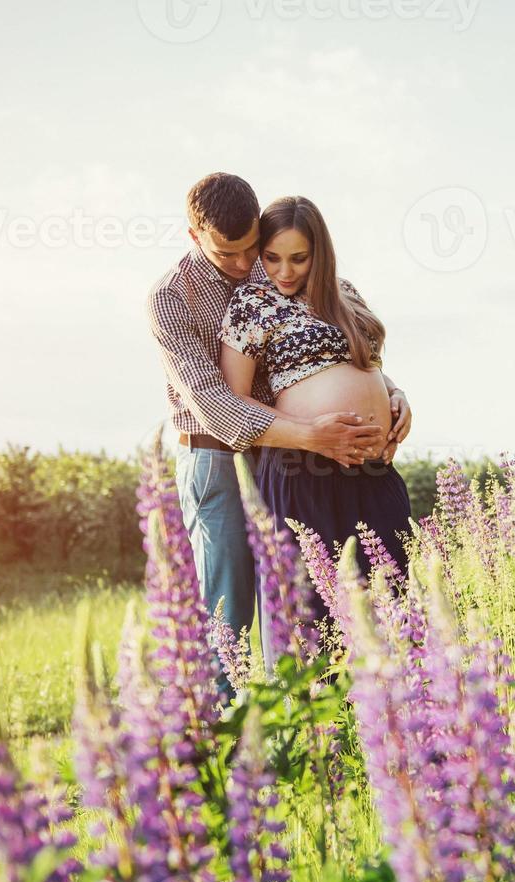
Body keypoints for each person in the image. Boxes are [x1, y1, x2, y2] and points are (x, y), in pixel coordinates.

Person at [148, 174, 412, 670]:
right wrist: (313, 436)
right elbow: (216, 402)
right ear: (194, 236)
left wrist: (392, 394)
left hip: (310, 452)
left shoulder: (274, 265)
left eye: (254, 249)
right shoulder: (170, 298)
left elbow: (335, 350)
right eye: (229, 254)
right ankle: (226, 726)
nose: (247, 264)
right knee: (232, 603)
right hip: (218, 451)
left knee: (319, 591)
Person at [219, 195, 416, 627]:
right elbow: (235, 400)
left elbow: (367, 365)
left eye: (299, 259)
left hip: (372, 468)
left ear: (319, 253)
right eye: (272, 258)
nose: (284, 272)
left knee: (397, 599)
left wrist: (396, 394)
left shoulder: (346, 293)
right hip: (302, 468)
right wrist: (311, 432)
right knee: (321, 613)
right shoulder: (251, 303)